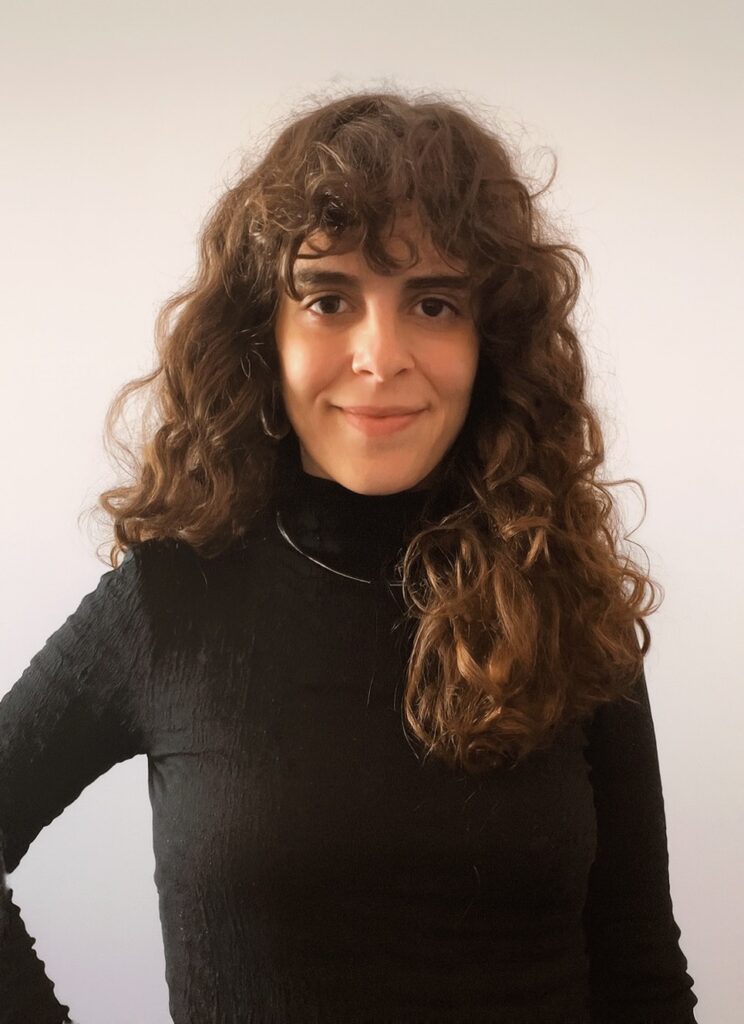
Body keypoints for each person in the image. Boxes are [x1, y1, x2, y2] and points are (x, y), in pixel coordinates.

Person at [0, 89, 699, 1023]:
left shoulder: (564, 596)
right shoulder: (167, 605)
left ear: (490, 341)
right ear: (265, 333)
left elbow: (642, 974)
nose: (381, 355)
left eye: (434, 303)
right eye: (329, 299)